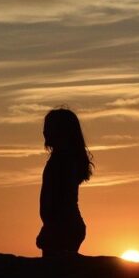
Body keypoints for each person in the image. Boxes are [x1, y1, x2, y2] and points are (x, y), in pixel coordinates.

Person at [36, 108, 92, 257]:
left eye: (48, 128)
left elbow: (61, 199)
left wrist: (51, 228)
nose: (44, 132)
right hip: (63, 225)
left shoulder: (63, 161)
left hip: (63, 227)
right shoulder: (64, 160)